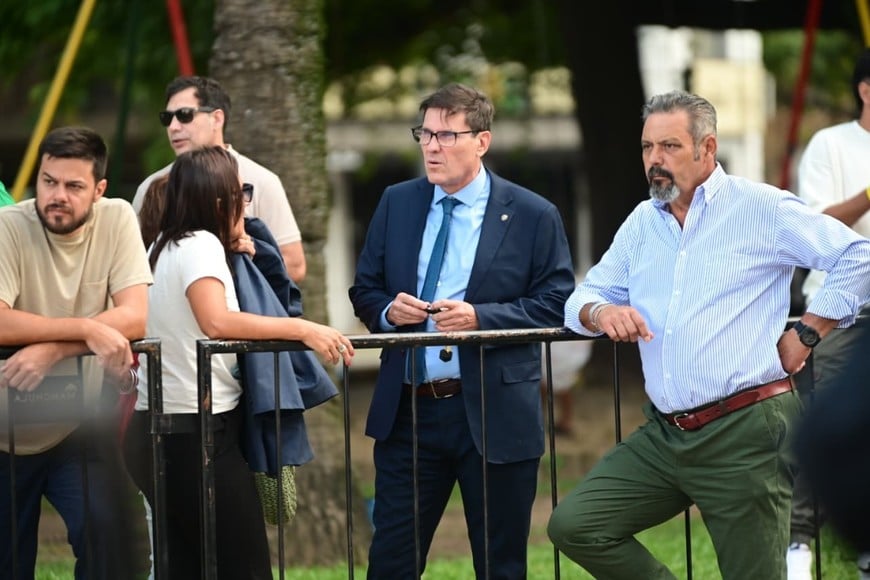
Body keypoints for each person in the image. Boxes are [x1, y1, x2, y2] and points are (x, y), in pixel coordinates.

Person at [546, 90, 870, 580]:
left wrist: (808, 330)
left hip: (745, 429)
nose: (655, 160)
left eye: (670, 146)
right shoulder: (642, 222)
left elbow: (857, 256)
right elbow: (580, 297)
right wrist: (600, 311)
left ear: (707, 148)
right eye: (647, 147)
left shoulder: (761, 207)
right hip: (664, 434)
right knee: (576, 526)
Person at [349, 83, 575, 579]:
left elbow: (557, 303)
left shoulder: (533, 214)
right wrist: (389, 311)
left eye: (447, 135)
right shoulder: (397, 202)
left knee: (500, 566)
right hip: (408, 412)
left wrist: (480, 319)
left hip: (494, 414)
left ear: (482, 141)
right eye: (425, 134)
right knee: (390, 562)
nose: (432, 146)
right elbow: (364, 289)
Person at [122, 145, 353, 579]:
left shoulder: (165, 244)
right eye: (239, 193)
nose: (245, 203)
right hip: (194, 435)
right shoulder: (200, 245)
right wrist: (303, 330)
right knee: (245, 567)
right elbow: (217, 321)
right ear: (217, 201)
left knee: (189, 566)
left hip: (163, 431)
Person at [0, 127, 152, 579]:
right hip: (5, 430)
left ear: (99, 190)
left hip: (78, 423)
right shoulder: (10, 225)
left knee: (106, 542)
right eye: (48, 182)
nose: (57, 195)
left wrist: (51, 349)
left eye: (73, 186)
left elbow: (137, 316)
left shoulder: (118, 218)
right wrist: (87, 329)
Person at [786, 47, 870, 580]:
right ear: (866, 89)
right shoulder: (832, 144)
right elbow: (813, 225)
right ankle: (798, 549)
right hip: (844, 312)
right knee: (834, 428)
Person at [132, 75, 307, 281]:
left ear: (216, 119)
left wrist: (248, 257)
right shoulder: (152, 187)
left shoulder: (261, 181)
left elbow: (295, 266)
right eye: (167, 118)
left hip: (241, 310)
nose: (173, 127)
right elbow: (133, 267)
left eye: (185, 115)